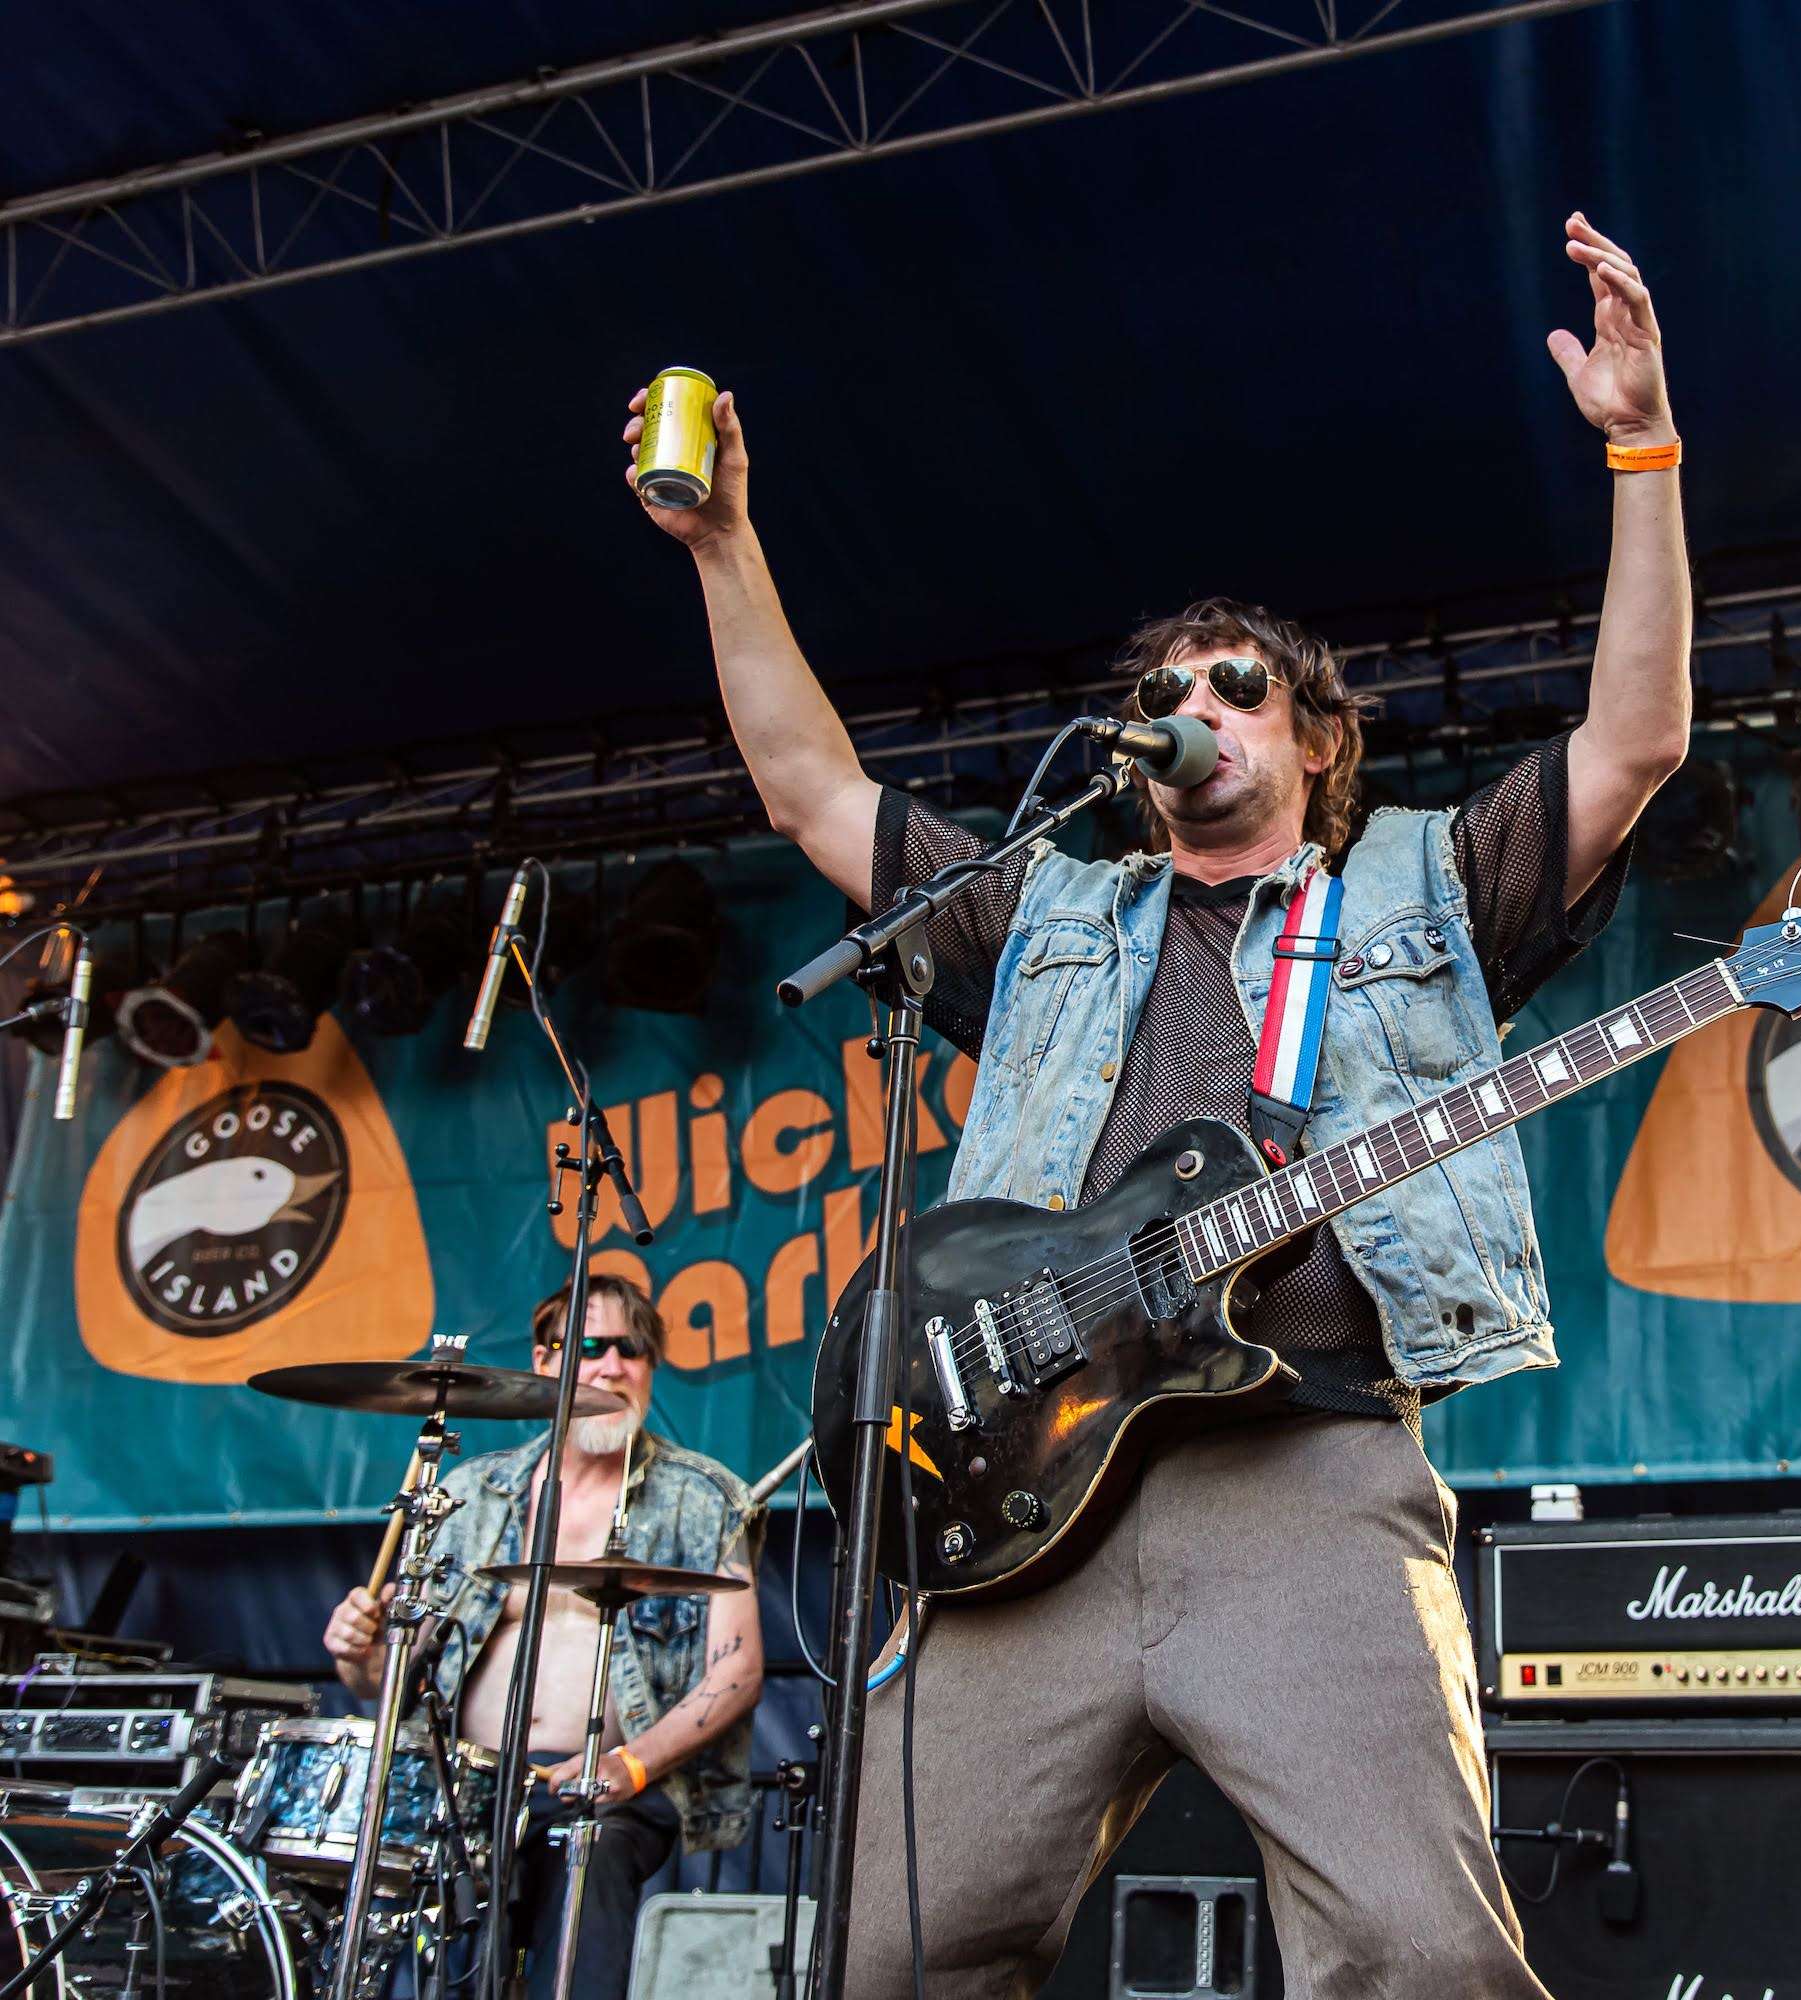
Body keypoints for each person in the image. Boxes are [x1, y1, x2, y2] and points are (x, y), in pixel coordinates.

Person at [624, 211, 1688, 1997]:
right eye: (1161, 693)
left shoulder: (1422, 886)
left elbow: (1635, 740)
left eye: (1233, 687)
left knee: (1421, 1954)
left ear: (1312, 739)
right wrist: (727, 547)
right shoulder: (1050, 903)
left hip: (1304, 1480)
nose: (1189, 706)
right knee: (888, 1956)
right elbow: (812, 789)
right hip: (1030, 1506)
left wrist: (1640, 453)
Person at [323, 1274, 765, 1998]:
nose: (612, 1367)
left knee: (591, 1870)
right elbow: (392, 1682)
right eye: (589, 1347)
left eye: (632, 1349)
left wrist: (632, 1764)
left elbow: (736, 1672)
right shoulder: (468, 1495)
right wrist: (362, 1657)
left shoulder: (703, 1496)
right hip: (466, 1788)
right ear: (544, 1361)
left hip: (606, 1790)